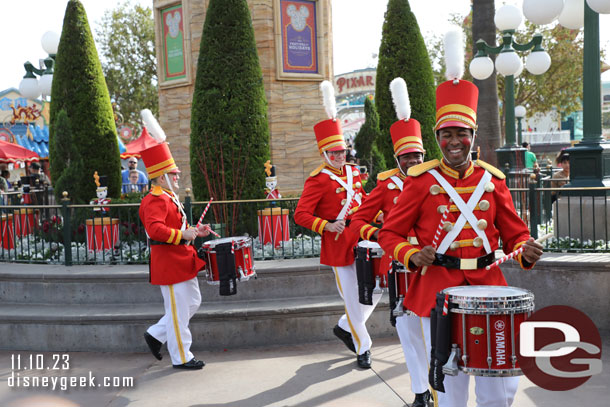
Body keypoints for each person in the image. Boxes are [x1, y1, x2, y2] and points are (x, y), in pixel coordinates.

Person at [379, 76, 543, 407]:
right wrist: (412, 254)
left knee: (498, 385)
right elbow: (389, 233)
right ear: (438, 138)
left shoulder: (491, 180)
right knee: (449, 390)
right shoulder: (421, 181)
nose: (455, 141)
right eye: (447, 134)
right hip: (436, 292)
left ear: (472, 137)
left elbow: (515, 233)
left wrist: (526, 249)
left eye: (461, 134)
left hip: (489, 288)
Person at [350, 77, 431, 407]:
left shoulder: (438, 182)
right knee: (409, 335)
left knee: (436, 333)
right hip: (400, 267)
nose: (412, 161)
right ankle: (421, 391)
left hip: (434, 267)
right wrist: (380, 237)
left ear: (424, 153)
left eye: (416, 155)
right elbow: (357, 221)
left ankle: (439, 390)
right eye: (406, 156)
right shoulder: (384, 187)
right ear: (397, 159)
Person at [294, 81, 375, 369]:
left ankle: (345, 326)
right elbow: (300, 215)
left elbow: (363, 200)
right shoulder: (316, 179)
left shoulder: (354, 172)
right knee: (353, 298)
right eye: (334, 153)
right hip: (339, 244)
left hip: (362, 239)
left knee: (374, 291)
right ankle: (362, 347)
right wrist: (326, 226)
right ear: (324, 154)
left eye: (342, 151)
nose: (340, 156)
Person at [139, 141, 211, 370]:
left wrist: (194, 232)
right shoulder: (154, 199)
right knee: (179, 311)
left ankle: (156, 334)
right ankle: (182, 356)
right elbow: (155, 230)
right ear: (162, 178)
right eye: (174, 175)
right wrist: (182, 233)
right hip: (169, 262)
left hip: (181, 258)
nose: (178, 178)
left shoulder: (168, 197)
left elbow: (178, 229)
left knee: (193, 302)